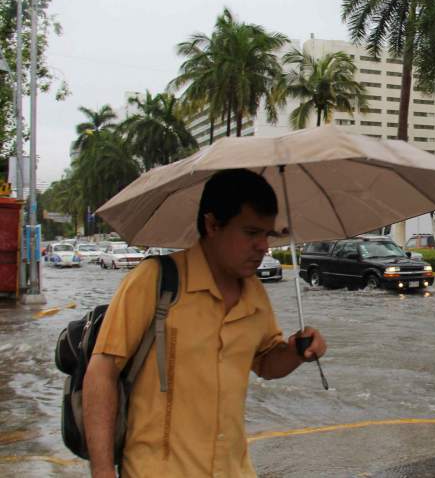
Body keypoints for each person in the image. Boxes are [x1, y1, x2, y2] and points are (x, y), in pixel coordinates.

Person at [83, 169, 327, 478]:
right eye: (251, 233)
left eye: (268, 234)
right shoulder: (156, 282)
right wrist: (102, 471)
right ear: (212, 225)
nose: (264, 246)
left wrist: (296, 351)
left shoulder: (256, 296)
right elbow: (102, 372)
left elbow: (265, 362)